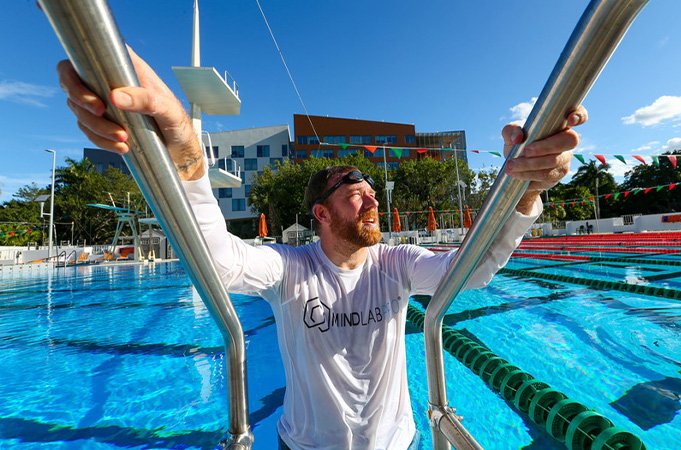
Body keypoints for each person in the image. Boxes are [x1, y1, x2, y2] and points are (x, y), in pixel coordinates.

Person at [58, 49, 586, 450]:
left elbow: (471, 272)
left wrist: (529, 189)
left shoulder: (397, 264)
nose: (373, 201)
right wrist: (188, 154)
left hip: (395, 443)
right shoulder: (290, 269)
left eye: (372, 193)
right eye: (357, 195)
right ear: (322, 214)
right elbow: (220, 259)